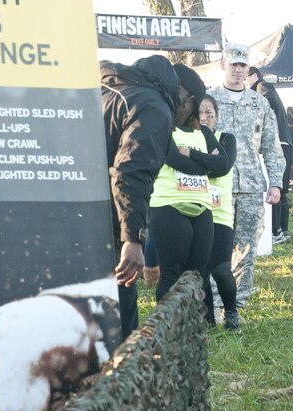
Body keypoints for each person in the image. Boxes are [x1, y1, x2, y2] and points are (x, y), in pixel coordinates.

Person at [101, 54, 184, 337]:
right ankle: (124, 372)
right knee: (121, 304)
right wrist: (132, 239)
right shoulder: (152, 106)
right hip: (109, 220)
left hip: (76, 211)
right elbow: (130, 173)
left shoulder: (109, 91)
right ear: (184, 99)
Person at [207, 43, 285, 308]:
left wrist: (275, 183)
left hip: (251, 186)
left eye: (243, 66)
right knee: (217, 245)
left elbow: (271, 146)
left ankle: (238, 301)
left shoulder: (259, 102)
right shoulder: (209, 101)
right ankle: (216, 300)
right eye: (234, 65)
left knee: (247, 246)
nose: (239, 70)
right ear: (223, 66)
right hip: (216, 185)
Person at [148, 64, 232, 306]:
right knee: (172, 273)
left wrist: (193, 156)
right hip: (169, 206)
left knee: (196, 274)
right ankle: (164, 329)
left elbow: (223, 165)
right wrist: (206, 165)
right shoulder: (163, 125)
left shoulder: (203, 133)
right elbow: (173, 159)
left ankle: (190, 328)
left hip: (203, 208)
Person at [198, 95, 240, 330]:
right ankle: (208, 320)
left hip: (220, 214)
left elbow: (221, 169)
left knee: (221, 269)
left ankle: (231, 312)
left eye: (209, 114)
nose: (204, 118)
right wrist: (207, 161)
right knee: (201, 271)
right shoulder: (185, 139)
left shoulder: (226, 139)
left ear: (216, 116)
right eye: (200, 114)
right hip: (195, 212)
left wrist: (199, 159)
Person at [247, 66, 293, 246]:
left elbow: (268, 102)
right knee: (281, 190)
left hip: (276, 144)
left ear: (254, 76)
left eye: (247, 77)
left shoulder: (261, 86)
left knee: (274, 189)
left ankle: (275, 231)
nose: (246, 82)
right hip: (285, 142)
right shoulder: (266, 86)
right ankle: (282, 230)